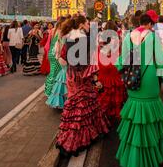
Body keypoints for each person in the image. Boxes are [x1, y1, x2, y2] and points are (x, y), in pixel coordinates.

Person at [115, 12, 163, 167]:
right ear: (149, 24)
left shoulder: (127, 37)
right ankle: (154, 158)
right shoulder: (153, 38)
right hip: (149, 80)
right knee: (151, 118)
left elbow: (121, 62)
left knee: (135, 120)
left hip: (133, 81)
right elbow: (161, 62)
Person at [56, 15, 110, 157]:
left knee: (73, 105)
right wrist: (95, 79)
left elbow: (61, 60)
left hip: (71, 76)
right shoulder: (85, 40)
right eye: (87, 23)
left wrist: (70, 67)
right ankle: (78, 139)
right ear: (80, 25)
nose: (88, 25)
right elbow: (90, 63)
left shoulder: (68, 38)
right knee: (83, 106)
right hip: (83, 78)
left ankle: (68, 137)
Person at [97, 20, 126, 122]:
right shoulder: (118, 40)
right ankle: (116, 112)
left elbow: (98, 54)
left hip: (104, 67)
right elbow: (122, 54)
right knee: (116, 91)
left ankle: (105, 115)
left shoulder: (101, 40)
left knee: (104, 93)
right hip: (114, 67)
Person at [46, 19, 71, 109]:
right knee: (60, 77)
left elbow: (50, 44)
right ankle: (57, 97)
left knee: (56, 75)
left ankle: (51, 94)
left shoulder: (55, 31)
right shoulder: (63, 34)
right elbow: (62, 47)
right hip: (60, 56)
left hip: (54, 54)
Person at [45, 17, 66, 96]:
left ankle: (48, 90)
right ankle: (50, 92)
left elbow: (49, 43)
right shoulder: (61, 32)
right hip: (56, 54)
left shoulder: (53, 30)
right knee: (55, 74)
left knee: (53, 72)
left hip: (51, 52)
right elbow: (61, 44)